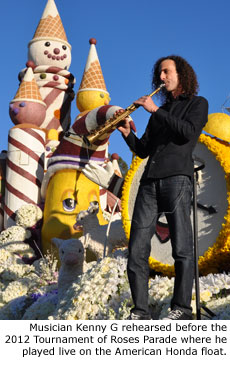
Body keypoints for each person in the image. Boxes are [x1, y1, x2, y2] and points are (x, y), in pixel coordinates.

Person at [116, 55, 208, 320]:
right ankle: (140, 311)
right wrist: (126, 134)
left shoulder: (197, 104)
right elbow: (144, 150)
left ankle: (181, 308)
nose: (161, 78)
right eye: (159, 74)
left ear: (182, 74)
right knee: (136, 250)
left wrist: (155, 111)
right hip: (149, 183)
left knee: (182, 249)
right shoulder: (160, 113)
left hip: (178, 180)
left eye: (166, 72)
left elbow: (188, 133)